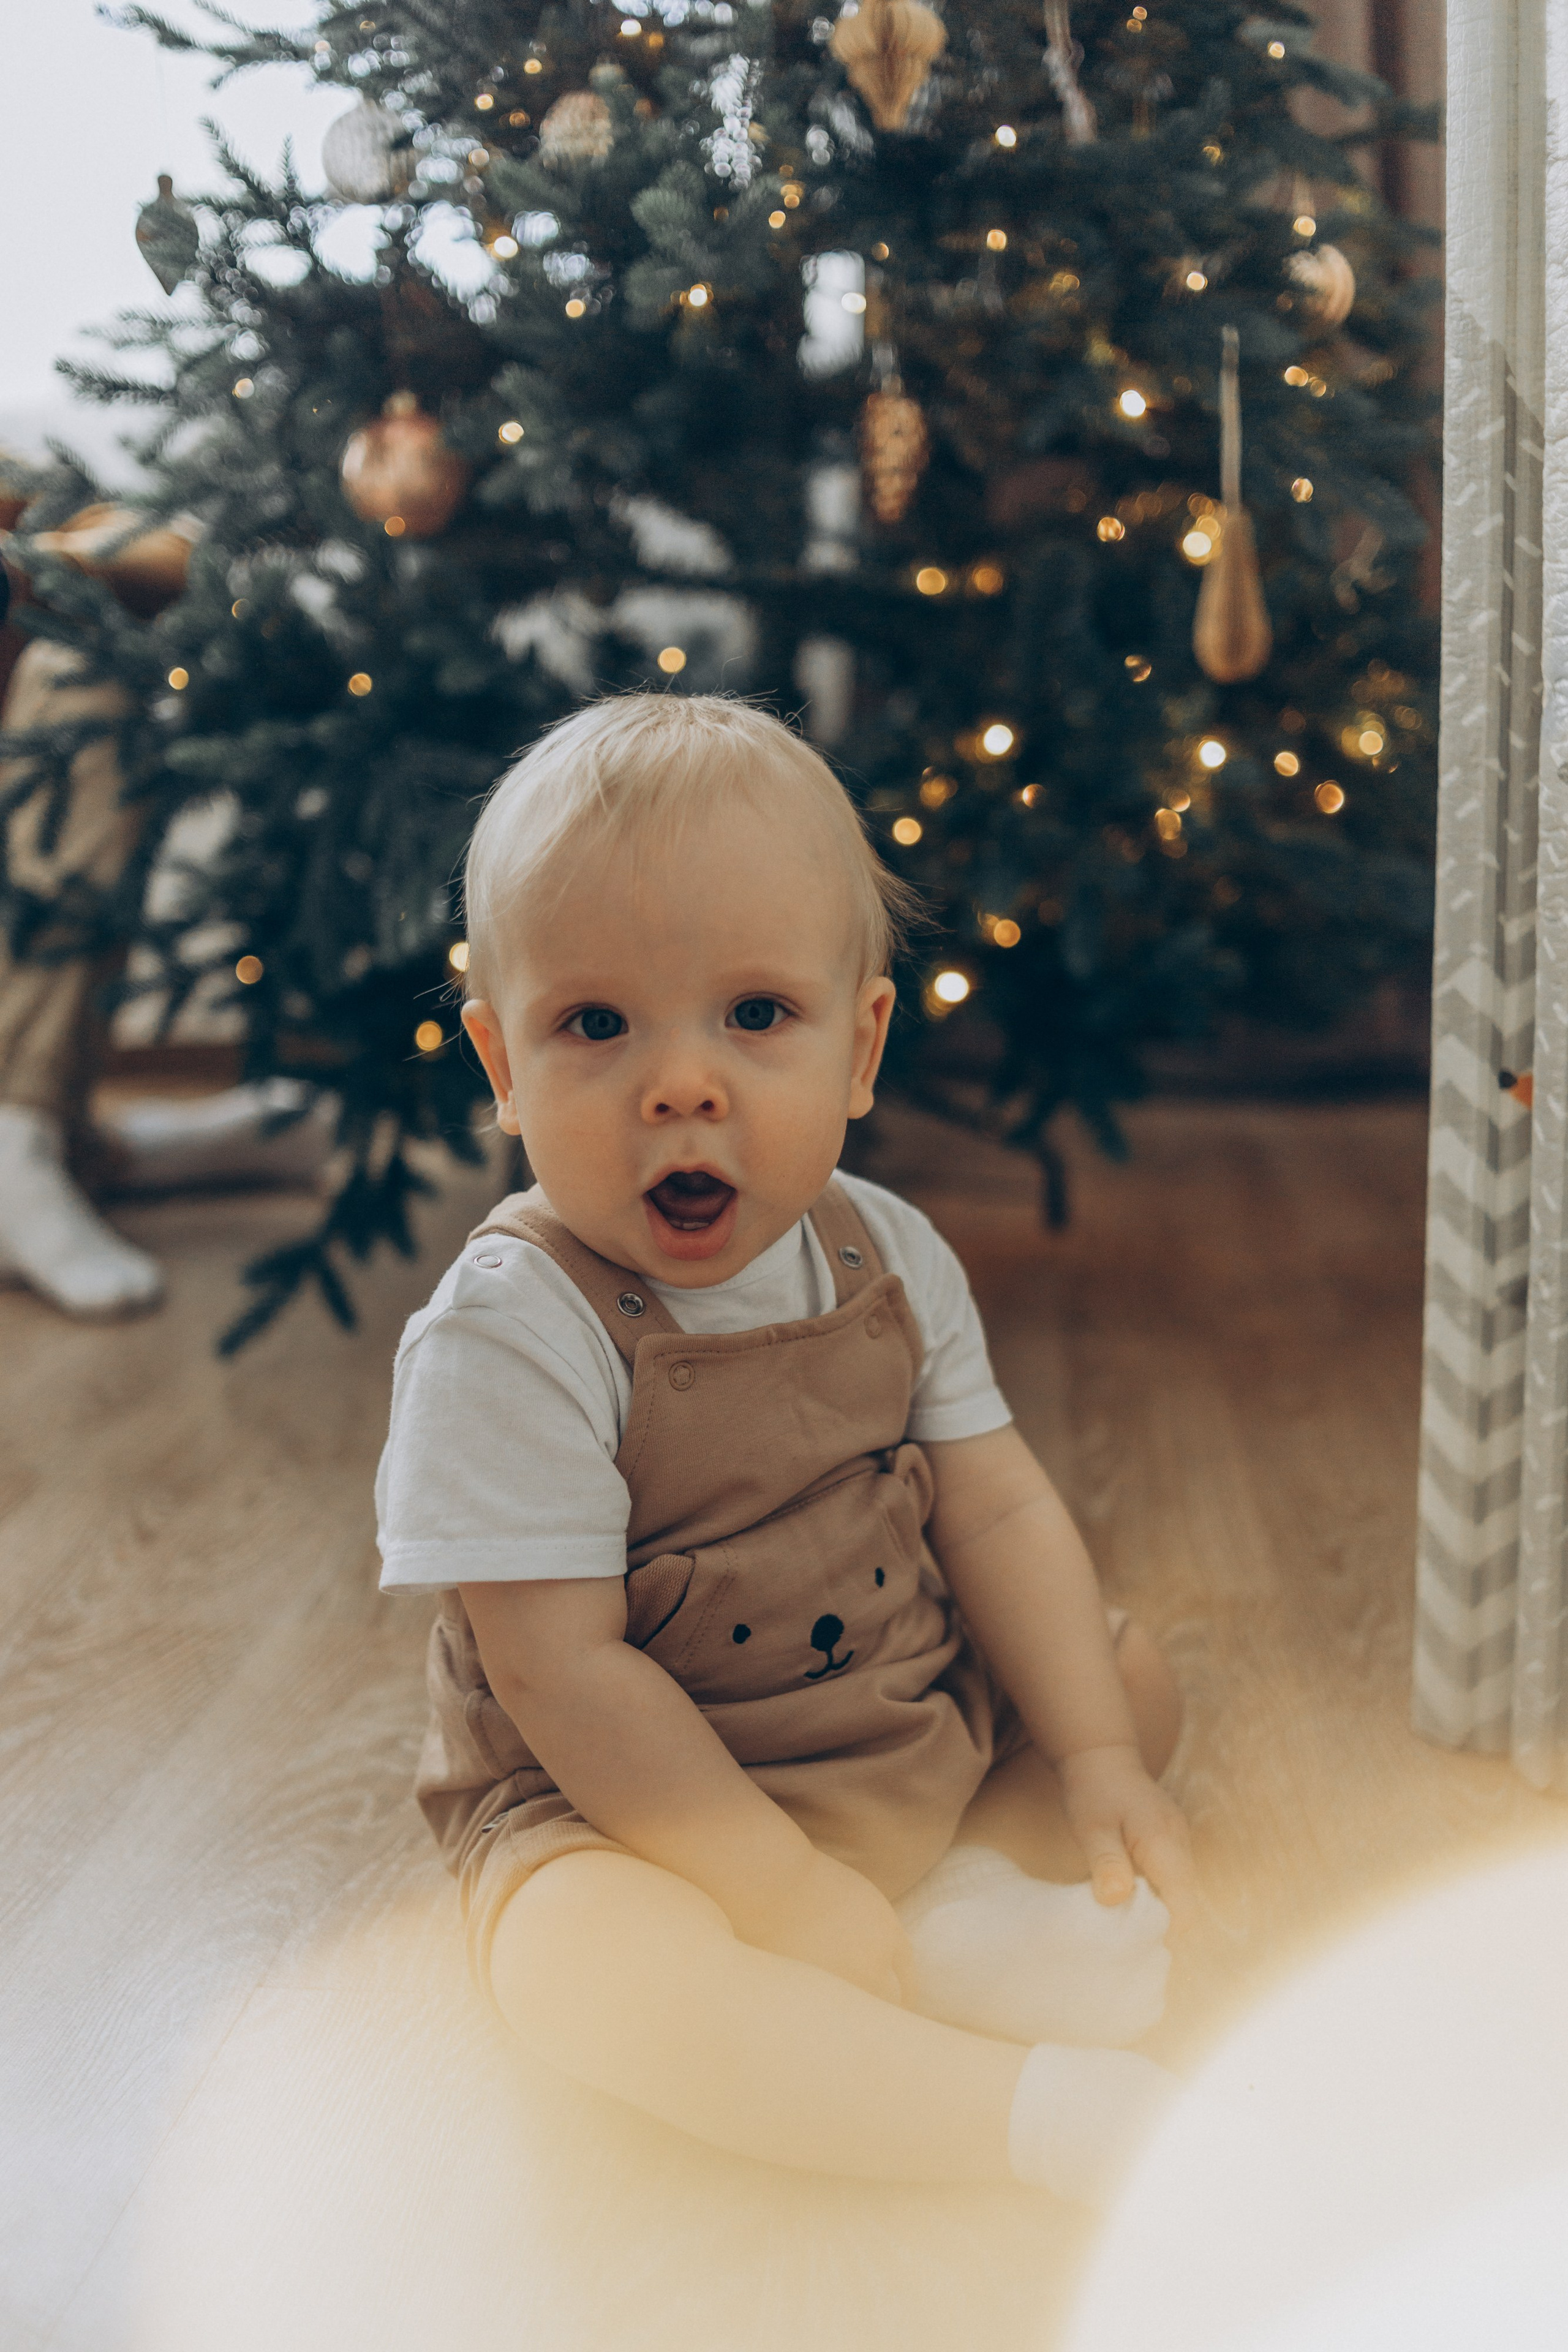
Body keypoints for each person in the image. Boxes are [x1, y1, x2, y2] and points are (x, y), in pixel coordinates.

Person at [376, 695, 1196, 2199]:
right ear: (501, 1062)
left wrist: (1083, 1747)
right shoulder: (514, 1335)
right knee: (593, 1977)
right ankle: (1017, 2117)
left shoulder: (880, 1246)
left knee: (1125, 1677)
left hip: (886, 1719)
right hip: (622, 1810)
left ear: (859, 1042)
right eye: (593, 1024)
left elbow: (995, 1508)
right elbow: (564, 1672)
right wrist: (768, 1887)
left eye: (754, 1017)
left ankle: (946, 1916)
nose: (680, 1084)